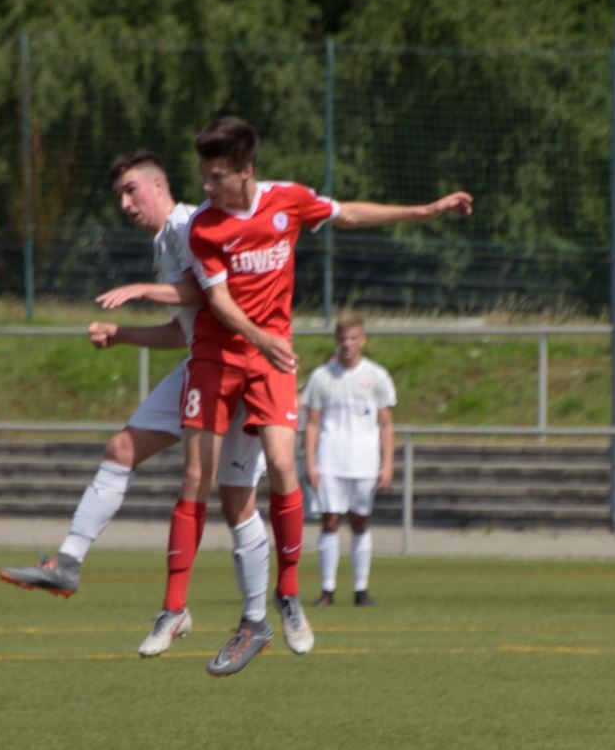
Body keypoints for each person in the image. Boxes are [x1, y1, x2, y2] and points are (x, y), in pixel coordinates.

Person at [180, 115, 473, 676]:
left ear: (246, 170)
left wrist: (424, 211)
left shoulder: (287, 201)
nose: (207, 184)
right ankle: (236, 615)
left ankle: (287, 597)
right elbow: (212, 300)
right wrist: (256, 335)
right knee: (226, 495)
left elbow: (350, 214)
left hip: (270, 361)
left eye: (217, 175)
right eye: (204, 174)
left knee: (282, 465)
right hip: (223, 359)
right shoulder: (201, 225)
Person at [0, 150, 268, 660]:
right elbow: (183, 328)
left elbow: (209, 293)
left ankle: (256, 619)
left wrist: (145, 290)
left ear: (158, 186)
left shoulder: (190, 225)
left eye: (130, 191)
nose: (124, 204)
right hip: (199, 365)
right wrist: (123, 335)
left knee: (237, 503)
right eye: (119, 196)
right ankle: (68, 564)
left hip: (240, 369)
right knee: (121, 449)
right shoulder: (164, 243)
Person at [302, 314, 396, 607]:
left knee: (359, 520)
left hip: (364, 460)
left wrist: (387, 463)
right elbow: (312, 423)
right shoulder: (321, 377)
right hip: (330, 458)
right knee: (330, 520)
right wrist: (310, 462)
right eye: (343, 338)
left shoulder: (376, 376)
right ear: (336, 340)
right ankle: (327, 590)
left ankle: (360, 589)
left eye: (353, 338)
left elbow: (386, 424)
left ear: (362, 340)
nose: (348, 344)